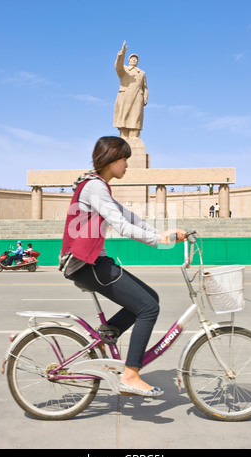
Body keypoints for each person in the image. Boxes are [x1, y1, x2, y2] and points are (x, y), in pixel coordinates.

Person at [60, 136, 187, 397]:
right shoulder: (95, 187)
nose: (127, 165)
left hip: (91, 262)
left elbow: (131, 218)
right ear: (110, 159)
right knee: (148, 308)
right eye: (124, 160)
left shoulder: (98, 186)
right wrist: (159, 241)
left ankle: (107, 335)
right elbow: (121, 226)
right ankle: (130, 375)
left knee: (150, 298)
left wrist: (164, 235)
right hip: (87, 263)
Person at [113, 41, 148, 139]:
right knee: (123, 118)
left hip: (137, 97)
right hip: (125, 97)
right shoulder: (124, 69)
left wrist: (145, 98)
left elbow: (145, 87)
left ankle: (135, 136)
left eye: (136, 59)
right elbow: (118, 66)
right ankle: (123, 137)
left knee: (136, 118)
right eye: (132, 59)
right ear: (128, 60)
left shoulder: (142, 73)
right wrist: (122, 53)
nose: (134, 60)